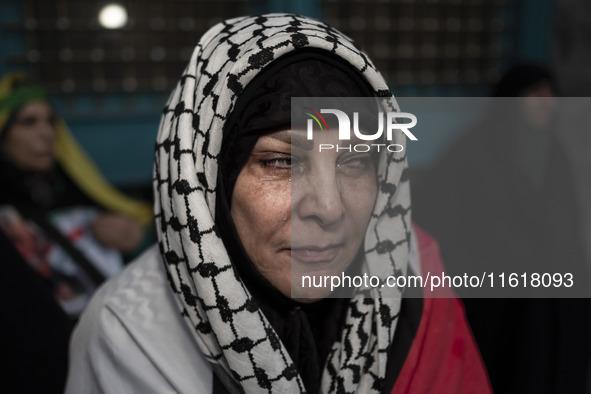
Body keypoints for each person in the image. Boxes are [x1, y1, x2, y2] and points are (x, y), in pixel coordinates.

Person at [66, 14, 491, 393]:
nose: (329, 208)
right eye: (281, 162)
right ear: (207, 180)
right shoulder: (129, 335)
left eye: (356, 160)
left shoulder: (413, 277)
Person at [413, 64, 590, 393]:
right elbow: (444, 221)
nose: (545, 101)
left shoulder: (555, 153)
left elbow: (567, 225)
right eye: (534, 93)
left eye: (550, 93)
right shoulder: (474, 151)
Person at [0, 72, 152, 317]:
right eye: (29, 122)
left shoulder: (74, 184)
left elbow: (140, 241)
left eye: (51, 121)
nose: (47, 133)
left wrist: (135, 239)